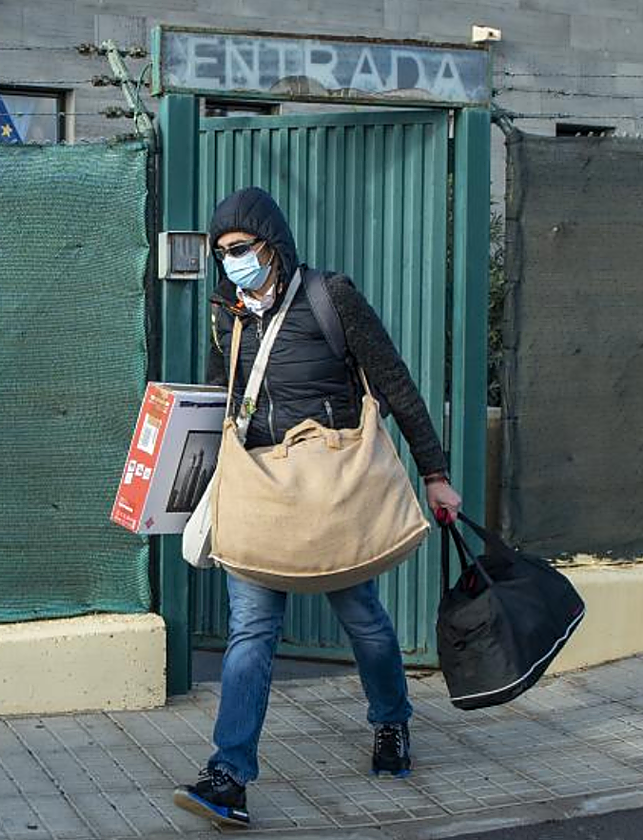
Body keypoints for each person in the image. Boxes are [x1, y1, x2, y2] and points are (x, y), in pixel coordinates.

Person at [173, 187, 461, 828]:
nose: (232, 262)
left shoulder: (331, 297)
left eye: (242, 248)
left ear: (273, 245)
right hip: (260, 492)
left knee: (364, 621)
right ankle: (228, 774)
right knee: (251, 632)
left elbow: (395, 383)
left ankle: (392, 721)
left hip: (331, 492)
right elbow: (222, 399)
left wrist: (435, 474)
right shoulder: (228, 315)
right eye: (223, 253)